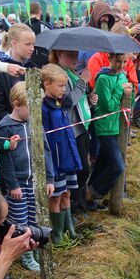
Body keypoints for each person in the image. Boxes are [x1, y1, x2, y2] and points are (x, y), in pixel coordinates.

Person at [0, 82, 54, 270]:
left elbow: (45, 150)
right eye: (31, 107)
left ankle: (34, 250)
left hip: (35, 181)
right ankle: (25, 256)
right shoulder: (5, 127)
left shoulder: (35, 123)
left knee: (34, 218)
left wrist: (49, 179)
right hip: (18, 184)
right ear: (16, 104)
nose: (35, 111)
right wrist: (12, 185)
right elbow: (4, 158)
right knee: (20, 221)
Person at [50, 49, 97, 214]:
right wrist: (83, 81)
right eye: (71, 54)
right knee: (80, 169)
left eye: (77, 54)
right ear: (59, 54)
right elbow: (68, 100)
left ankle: (80, 206)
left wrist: (90, 101)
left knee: (85, 168)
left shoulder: (72, 72)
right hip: (70, 129)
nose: (76, 58)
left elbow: (79, 100)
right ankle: (75, 207)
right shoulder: (57, 73)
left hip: (82, 126)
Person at [41, 64, 82, 243]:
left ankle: (69, 230)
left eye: (65, 86)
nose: (64, 89)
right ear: (47, 84)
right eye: (60, 86)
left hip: (67, 157)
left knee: (67, 193)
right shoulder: (43, 108)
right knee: (56, 196)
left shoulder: (60, 104)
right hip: (55, 162)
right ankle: (57, 234)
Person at [89, 53, 132, 209]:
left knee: (102, 162)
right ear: (110, 60)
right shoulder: (103, 79)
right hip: (105, 126)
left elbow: (128, 102)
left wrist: (129, 91)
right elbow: (109, 106)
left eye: (124, 61)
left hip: (118, 126)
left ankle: (88, 194)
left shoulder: (122, 76)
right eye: (118, 61)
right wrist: (121, 91)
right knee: (117, 166)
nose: (121, 65)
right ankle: (93, 193)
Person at [0, 23, 36, 128]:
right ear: (14, 43)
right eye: (28, 44)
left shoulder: (32, 68)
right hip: (10, 130)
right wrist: (14, 124)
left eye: (33, 44)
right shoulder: (1, 70)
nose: (32, 48)